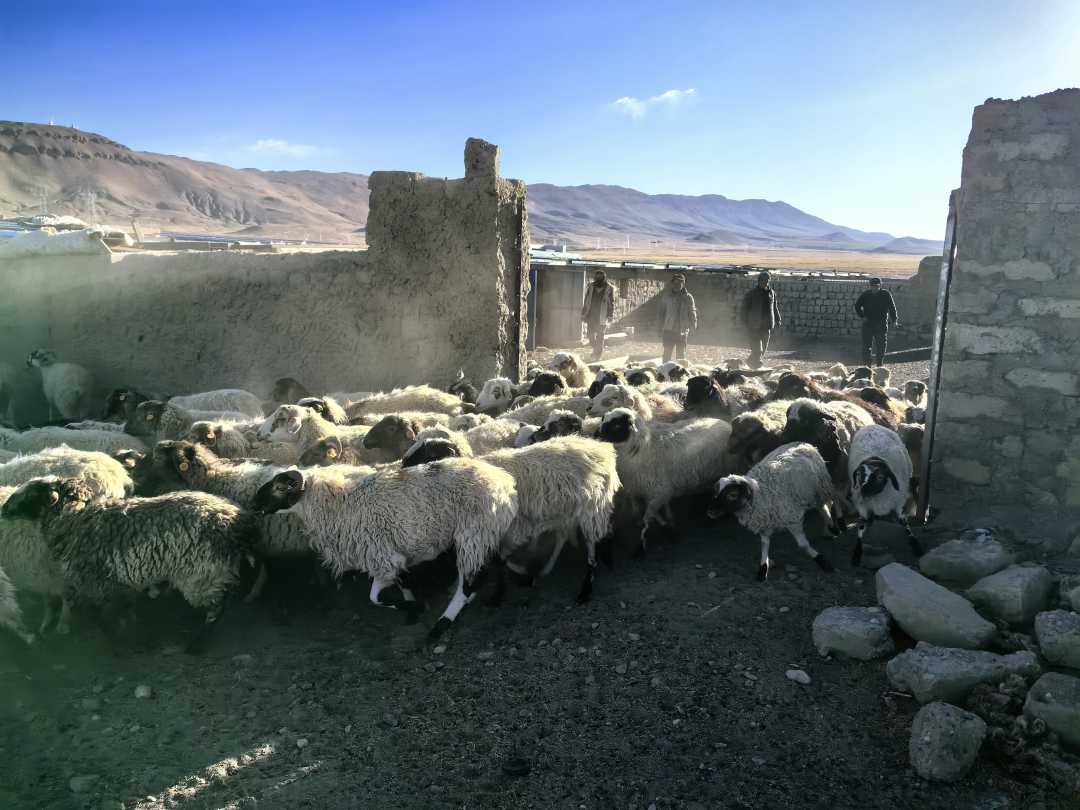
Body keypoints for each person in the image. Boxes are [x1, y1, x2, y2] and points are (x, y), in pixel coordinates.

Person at [739, 271, 781, 368]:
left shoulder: (772, 293)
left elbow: (775, 307)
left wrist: (778, 319)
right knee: (758, 351)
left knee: (763, 352)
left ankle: (751, 365)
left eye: (767, 280)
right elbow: (743, 309)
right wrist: (744, 322)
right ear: (759, 281)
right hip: (754, 326)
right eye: (763, 280)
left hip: (767, 326)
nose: (765, 282)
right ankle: (754, 367)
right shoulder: (751, 294)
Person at [855, 277, 899, 367]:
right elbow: (857, 306)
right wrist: (862, 316)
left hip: (881, 325)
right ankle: (867, 366)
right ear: (870, 286)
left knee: (881, 346)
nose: (874, 288)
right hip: (868, 325)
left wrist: (894, 320)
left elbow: (892, 308)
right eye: (872, 286)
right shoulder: (866, 294)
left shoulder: (885, 294)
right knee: (866, 347)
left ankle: (879, 364)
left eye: (876, 286)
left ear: (880, 286)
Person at [657, 274, 697, 363]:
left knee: (681, 356)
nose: (677, 284)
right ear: (672, 283)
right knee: (667, 355)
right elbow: (661, 313)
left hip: (682, 331)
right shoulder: (667, 297)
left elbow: (692, 311)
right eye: (675, 282)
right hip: (668, 330)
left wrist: (693, 325)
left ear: (683, 284)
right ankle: (664, 374)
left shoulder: (688, 297)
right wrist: (659, 328)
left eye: (680, 282)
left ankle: (680, 375)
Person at [580, 270, 617, 361]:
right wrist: (583, 313)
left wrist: (610, 315)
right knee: (590, 335)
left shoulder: (609, 288)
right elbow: (586, 300)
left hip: (602, 315)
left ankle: (597, 355)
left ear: (604, 278)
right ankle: (595, 350)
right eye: (597, 277)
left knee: (600, 336)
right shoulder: (591, 286)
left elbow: (611, 302)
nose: (598, 278)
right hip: (591, 314)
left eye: (600, 277)